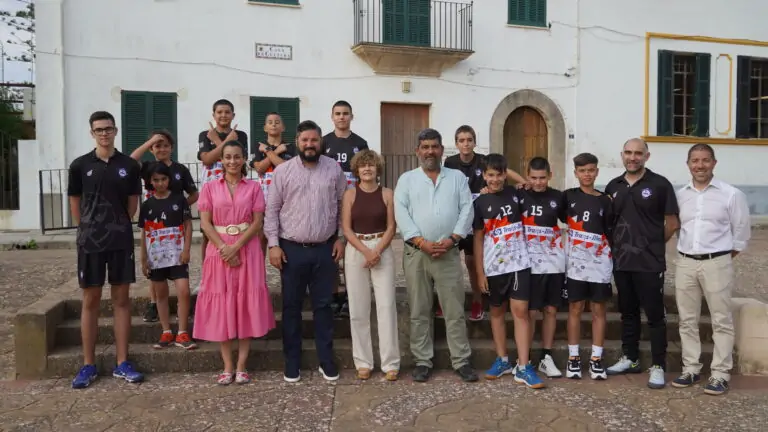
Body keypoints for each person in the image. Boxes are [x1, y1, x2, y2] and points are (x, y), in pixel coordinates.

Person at [394, 128, 478, 383]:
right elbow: (401, 213)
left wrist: (453, 238)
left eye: (434, 146)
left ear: (442, 150)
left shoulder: (457, 178)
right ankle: (422, 360)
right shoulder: (407, 180)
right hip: (417, 253)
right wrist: (421, 242)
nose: (430, 151)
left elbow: (467, 210)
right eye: (425, 147)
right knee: (420, 309)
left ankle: (461, 360)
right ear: (417, 151)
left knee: (454, 310)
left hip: (449, 252)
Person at [265, 120, 346, 383]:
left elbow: (344, 204)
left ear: (321, 142)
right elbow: (272, 210)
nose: (309, 145)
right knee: (291, 307)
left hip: (325, 249)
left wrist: (341, 238)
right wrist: (274, 244)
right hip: (291, 250)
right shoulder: (283, 171)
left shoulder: (334, 169)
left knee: (324, 306)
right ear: (297, 142)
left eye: (314, 140)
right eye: (304, 140)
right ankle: (292, 362)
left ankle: (326, 360)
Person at [67, 111, 144, 388]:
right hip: (91, 241)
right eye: (99, 129)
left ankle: (122, 362)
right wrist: (86, 228)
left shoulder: (129, 166)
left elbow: (133, 204)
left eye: (108, 129)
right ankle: (88, 364)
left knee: (122, 300)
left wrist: (119, 224)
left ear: (115, 131)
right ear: (92, 133)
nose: (104, 133)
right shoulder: (79, 166)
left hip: (120, 239)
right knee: (91, 301)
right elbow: (75, 202)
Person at [671, 144, 751, 395]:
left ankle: (719, 373)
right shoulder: (680, 195)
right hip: (685, 262)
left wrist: (720, 256)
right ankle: (691, 368)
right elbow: (676, 227)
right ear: (688, 164)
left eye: (705, 160)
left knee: (721, 320)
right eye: (695, 160)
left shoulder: (731, 194)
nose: (700, 165)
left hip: (717, 262)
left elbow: (741, 234)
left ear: (714, 163)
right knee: (686, 319)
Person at [194, 141, 275, 385]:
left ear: (243, 160)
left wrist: (237, 247)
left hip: (247, 248)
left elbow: (257, 221)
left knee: (244, 302)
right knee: (223, 302)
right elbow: (206, 223)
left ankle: (241, 365)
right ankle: (227, 365)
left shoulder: (254, 188)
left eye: (237, 157)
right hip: (218, 250)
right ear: (222, 160)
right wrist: (223, 248)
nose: (232, 161)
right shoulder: (209, 188)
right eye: (227, 157)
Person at [604, 138, 680, 389]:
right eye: (628, 152)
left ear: (647, 156)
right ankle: (631, 357)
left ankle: (658, 365)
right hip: (622, 262)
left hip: (649, 262)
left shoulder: (660, 184)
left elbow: (672, 223)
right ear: (622, 155)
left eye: (638, 153)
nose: (632, 157)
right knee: (628, 312)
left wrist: (653, 244)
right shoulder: (613, 186)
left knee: (655, 316)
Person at [473, 154, 544, 388]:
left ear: (505, 174)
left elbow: (521, 181)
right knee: (496, 312)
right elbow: (478, 239)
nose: (494, 179)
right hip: (494, 267)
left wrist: (520, 178)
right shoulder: (480, 202)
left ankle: (524, 366)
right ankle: (502, 359)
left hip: (519, 263)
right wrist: (480, 273)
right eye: (490, 175)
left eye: (499, 174)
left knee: (520, 311)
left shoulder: (517, 194)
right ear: (483, 176)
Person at [442, 125, 528, 321]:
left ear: (474, 142)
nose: (466, 144)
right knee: (448, 261)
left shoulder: (482, 160)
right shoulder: (450, 162)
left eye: (469, 140)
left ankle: (477, 300)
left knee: (472, 263)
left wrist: (524, 182)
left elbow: (506, 170)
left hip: (478, 215)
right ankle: (443, 301)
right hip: (457, 219)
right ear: (456, 143)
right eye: (461, 140)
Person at [341, 149, 399, 381]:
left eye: (371, 165)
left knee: (386, 306)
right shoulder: (350, 195)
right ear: (357, 170)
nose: (367, 169)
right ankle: (363, 362)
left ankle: (390, 363)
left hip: (381, 247)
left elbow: (392, 227)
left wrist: (377, 251)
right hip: (356, 249)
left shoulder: (387, 194)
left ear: (377, 169)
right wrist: (365, 251)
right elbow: (346, 228)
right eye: (363, 166)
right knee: (358, 308)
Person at [130, 130, 199, 323]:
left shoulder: (180, 170)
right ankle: (154, 303)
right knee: (155, 264)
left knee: (178, 269)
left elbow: (194, 193)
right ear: (152, 148)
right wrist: (149, 140)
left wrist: (179, 206)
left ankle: (180, 309)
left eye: (165, 145)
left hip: (175, 223)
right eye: (157, 145)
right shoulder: (147, 167)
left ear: (172, 148)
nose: (162, 149)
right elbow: (131, 161)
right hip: (154, 222)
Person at [562, 153, 613, 381]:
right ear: (576, 173)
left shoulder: (605, 200)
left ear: (597, 172)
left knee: (598, 310)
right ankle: (573, 358)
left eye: (591, 170)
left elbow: (611, 231)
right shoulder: (567, 197)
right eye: (582, 171)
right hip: (576, 264)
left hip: (599, 263)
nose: (587, 174)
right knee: (575, 308)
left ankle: (596, 358)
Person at [137, 162, 195, 350]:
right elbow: (144, 232)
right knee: (161, 294)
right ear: (150, 182)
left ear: (169, 180)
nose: (160, 183)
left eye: (163, 179)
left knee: (184, 291)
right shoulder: (147, 205)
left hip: (177, 255)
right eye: (156, 180)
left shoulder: (179, 200)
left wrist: (186, 249)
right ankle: (166, 330)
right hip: (156, 257)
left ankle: (183, 331)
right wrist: (143, 258)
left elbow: (188, 225)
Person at [195, 99, 249, 295]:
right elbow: (207, 159)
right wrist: (226, 142)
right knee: (208, 231)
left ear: (233, 115)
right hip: (212, 187)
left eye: (227, 112)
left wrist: (218, 142)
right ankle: (206, 276)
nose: (223, 115)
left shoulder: (241, 135)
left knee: (235, 230)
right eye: (220, 112)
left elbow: (239, 159)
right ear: (214, 114)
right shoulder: (204, 134)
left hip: (235, 185)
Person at [518, 156, 565, 378]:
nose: (538, 182)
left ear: (550, 176)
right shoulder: (519, 194)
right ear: (527, 176)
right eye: (534, 178)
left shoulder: (558, 197)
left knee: (551, 309)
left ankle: (546, 356)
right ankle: (524, 358)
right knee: (531, 311)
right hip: (529, 263)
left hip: (553, 263)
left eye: (542, 178)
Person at [322, 100, 369, 318]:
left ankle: (352, 295)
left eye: (345, 113)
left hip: (353, 202)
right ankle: (332, 295)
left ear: (352, 116)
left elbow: (366, 174)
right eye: (338, 113)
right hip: (329, 203)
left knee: (352, 249)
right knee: (333, 251)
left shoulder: (360, 143)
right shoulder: (324, 142)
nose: (341, 117)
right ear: (332, 117)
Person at [249, 112, 297, 254]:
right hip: (263, 196)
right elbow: (259, 168)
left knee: (285, 234)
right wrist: (276, 152)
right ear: (265, 128)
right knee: (262, 234)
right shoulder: (258, 146)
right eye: (270, 122)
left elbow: (286, 169)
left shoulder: (291, 148)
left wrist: (269, 152)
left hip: (286, 196)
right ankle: (259, 273)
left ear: (283, 127)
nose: (274, 124)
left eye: (277, 122)